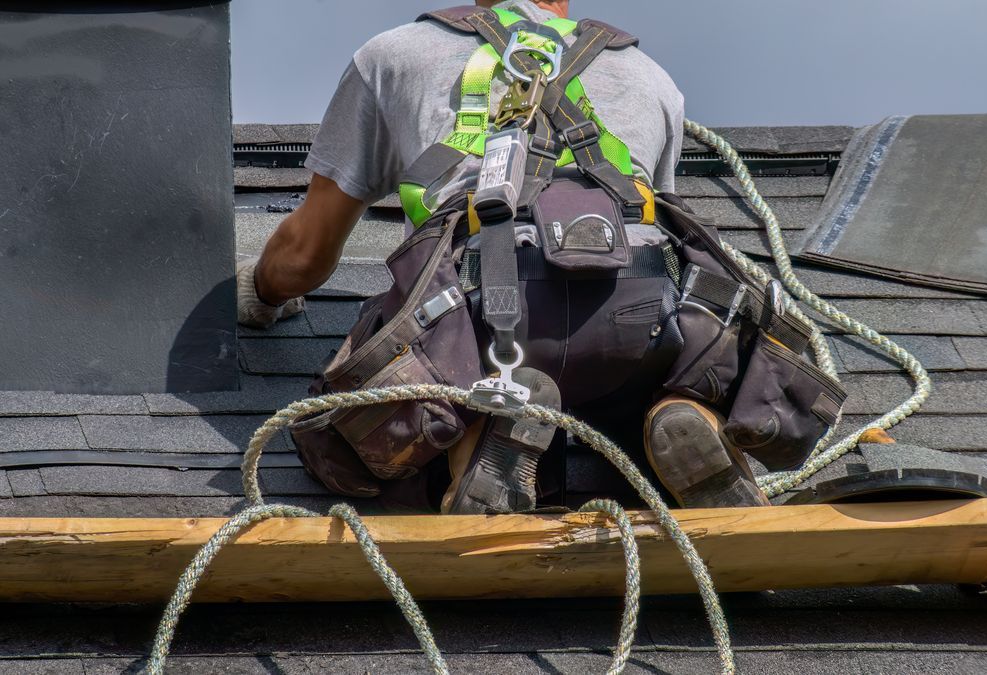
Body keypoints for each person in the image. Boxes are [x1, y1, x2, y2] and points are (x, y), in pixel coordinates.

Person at [237, 0, 774, 512]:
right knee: (647, 363)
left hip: (481, 314)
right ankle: (683, 411)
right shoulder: (650, 77)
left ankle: (479, 441)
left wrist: (258, 292)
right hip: (640, 307)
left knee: (357, 419)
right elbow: (664, 236)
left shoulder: (393, 56)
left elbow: (304, 257)